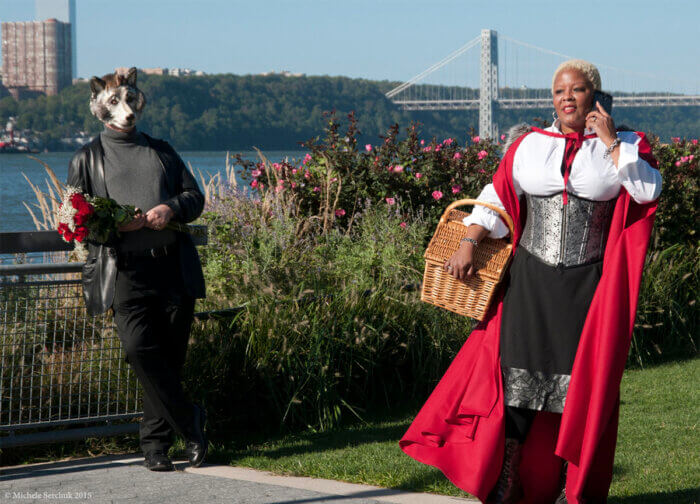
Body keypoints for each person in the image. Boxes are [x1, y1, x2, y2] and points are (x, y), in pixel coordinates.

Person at [400, 60, 662, 503]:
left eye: (577, 90)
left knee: (576, 388)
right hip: (530, 281)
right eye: (559, 91)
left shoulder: (626, 145)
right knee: (519, 386)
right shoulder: (529, 145)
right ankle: (508, 477)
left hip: (587, 289)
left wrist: (611, 141)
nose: (567, 98)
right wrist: (468, 240)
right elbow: (498, 198)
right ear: (552, 99)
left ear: (593, 96)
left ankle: (565, 485)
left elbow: (646, 192)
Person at [67, 68, 208, 472]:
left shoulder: (162, 151)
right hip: (124, 271)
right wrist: (113, 225)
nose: (126, 111)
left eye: (131, 102)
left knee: (167, 361)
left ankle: (156, 447)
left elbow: (194, 196)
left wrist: (171, 208)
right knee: (139, 352)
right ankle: (191, 422)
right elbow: (74, 221)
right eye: (116, 103)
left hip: (172, 269)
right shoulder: (86, 159)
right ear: (100, 108)